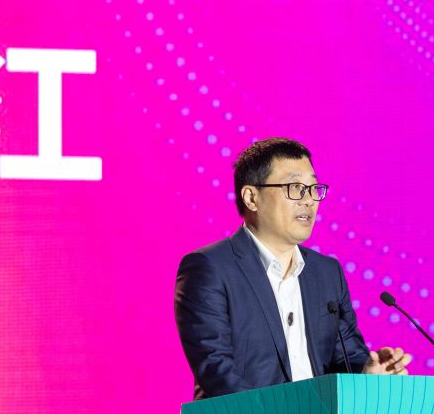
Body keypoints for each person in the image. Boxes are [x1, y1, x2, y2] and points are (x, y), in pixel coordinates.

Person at [176, 137, 410, 397]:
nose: (309, 200)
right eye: (296, 187)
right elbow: (216, 370)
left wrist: (367, 373)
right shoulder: (210, 268)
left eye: (313, 188)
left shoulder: (326, 273)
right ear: (251, 197)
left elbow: (346, 356)